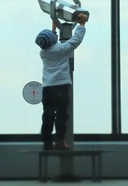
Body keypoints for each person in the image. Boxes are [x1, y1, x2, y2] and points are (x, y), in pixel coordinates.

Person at [34, 13, 88, 150]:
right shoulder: (62, 49)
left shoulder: (43, 52)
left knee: (48, 115)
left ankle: (46, 142)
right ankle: (60, 141)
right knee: (61, 116)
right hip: (61, 87)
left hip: (47, 88)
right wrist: (81, 24)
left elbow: (51, 41)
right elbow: (75, 40)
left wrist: (53, 28)